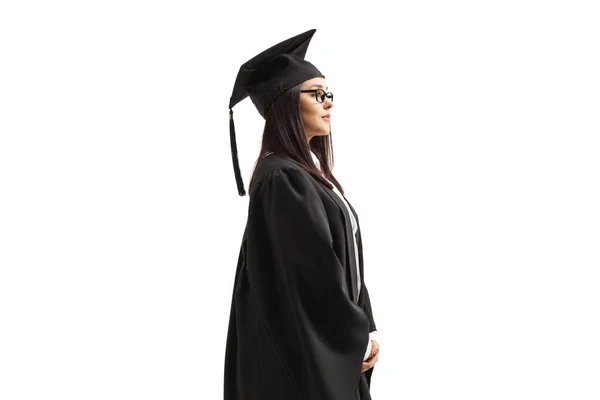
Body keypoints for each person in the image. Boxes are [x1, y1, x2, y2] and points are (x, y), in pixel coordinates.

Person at [224, 29, 381, 400]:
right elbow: (310, 276)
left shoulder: (305, 175)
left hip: (326, 347)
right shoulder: (282, 178)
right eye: (317, 94)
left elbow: (342, 263)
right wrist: (351, 336)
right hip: (299, 363)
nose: (329, 103)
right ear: (286, 103)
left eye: (329, 94)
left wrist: (365, 327)